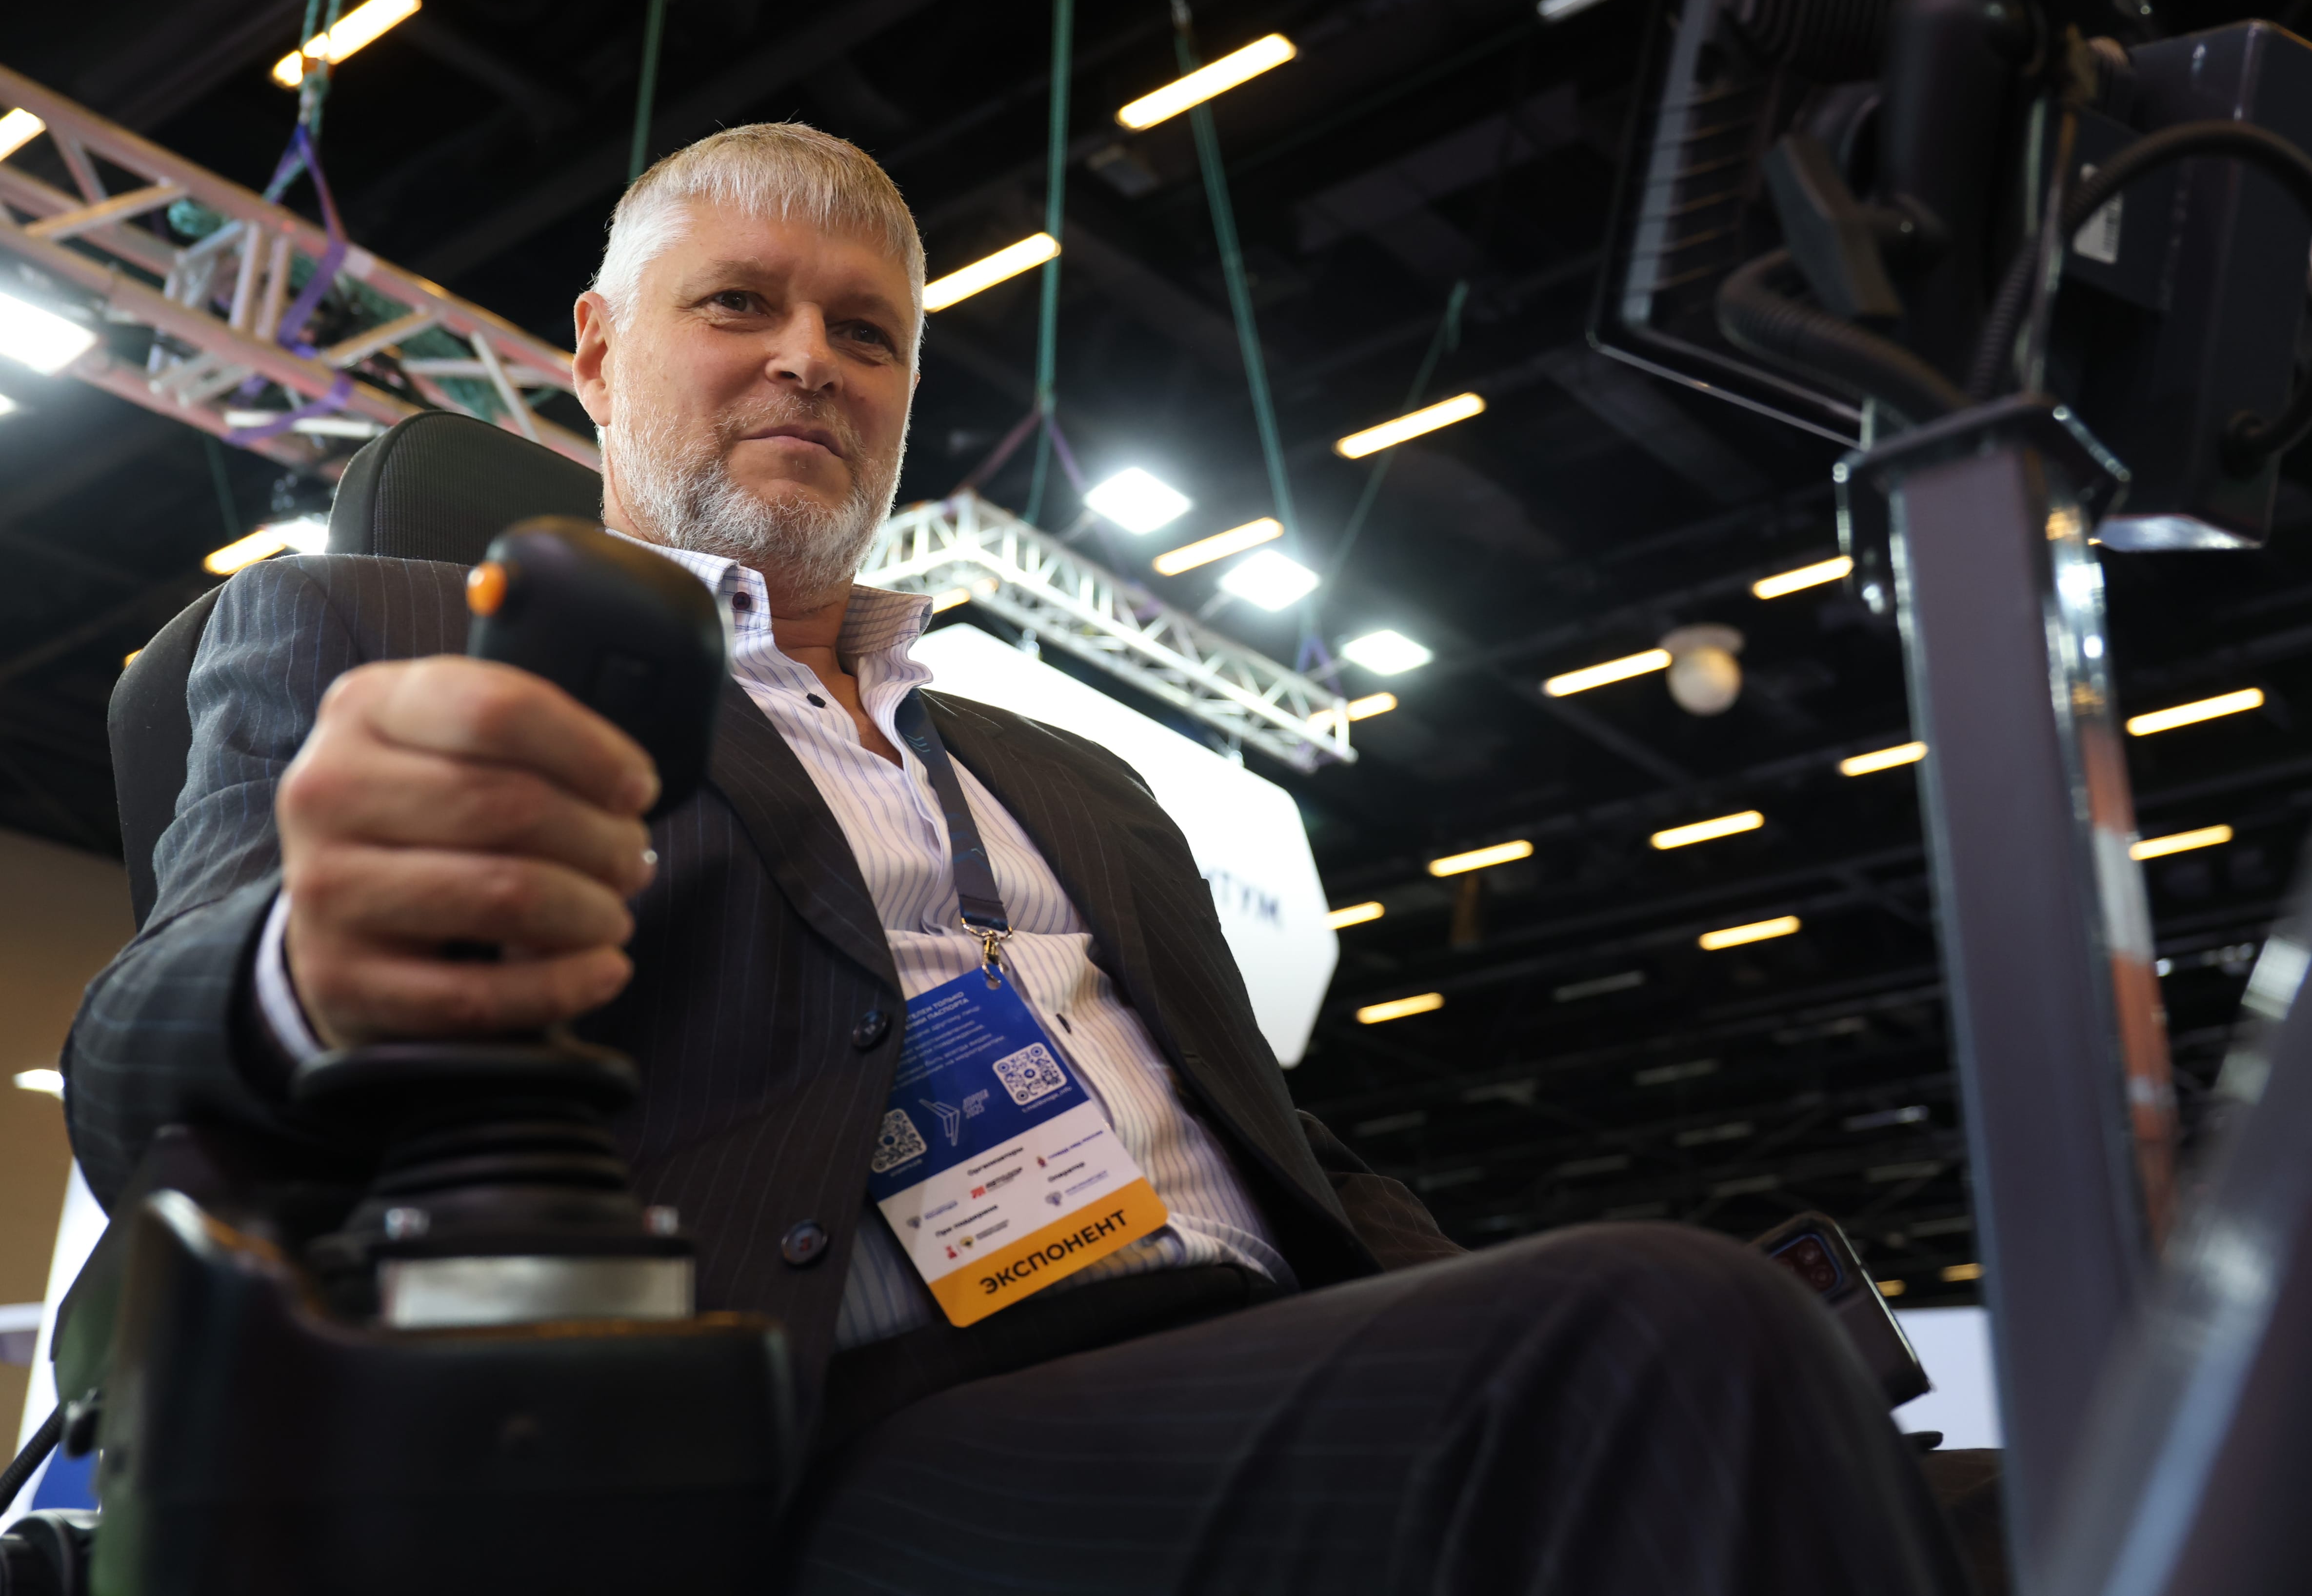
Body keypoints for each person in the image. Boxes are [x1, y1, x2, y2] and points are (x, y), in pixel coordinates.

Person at [65, 124, 1970, 1594]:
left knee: (1938, 1473)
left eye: (865, 333)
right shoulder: (384, 631)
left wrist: (1491, 1297)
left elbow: (1302, 1156)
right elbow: (142, 1069)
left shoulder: (1076, 778)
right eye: (737, 306)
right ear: (596, 347)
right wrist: (301, 968)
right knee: (1661, 1342)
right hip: (822, 1432)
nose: (807, 362)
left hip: (1254, 1351)